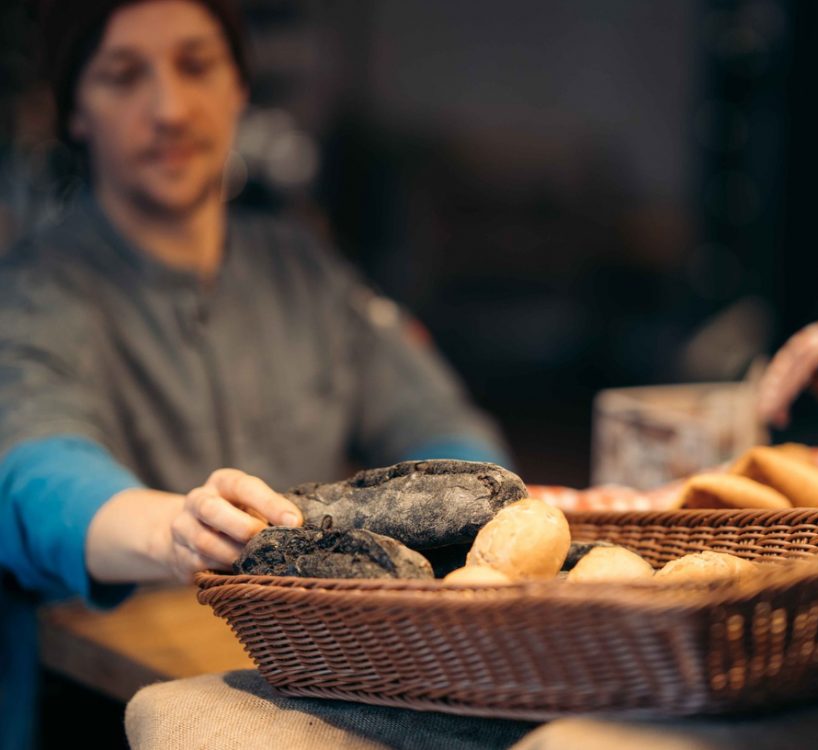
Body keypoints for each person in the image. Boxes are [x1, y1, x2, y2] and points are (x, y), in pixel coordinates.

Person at [0, 1, 510, 747]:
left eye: (197, 66)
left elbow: (443, 427)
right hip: (98, 705)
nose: (170, 108)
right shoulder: (35, 290)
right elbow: (34, 472)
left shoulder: (301, 268)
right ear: (75, 110)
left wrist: (496, 521)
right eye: (123, 75)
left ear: (240, 88)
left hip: (317, 676)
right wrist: (177, 530)